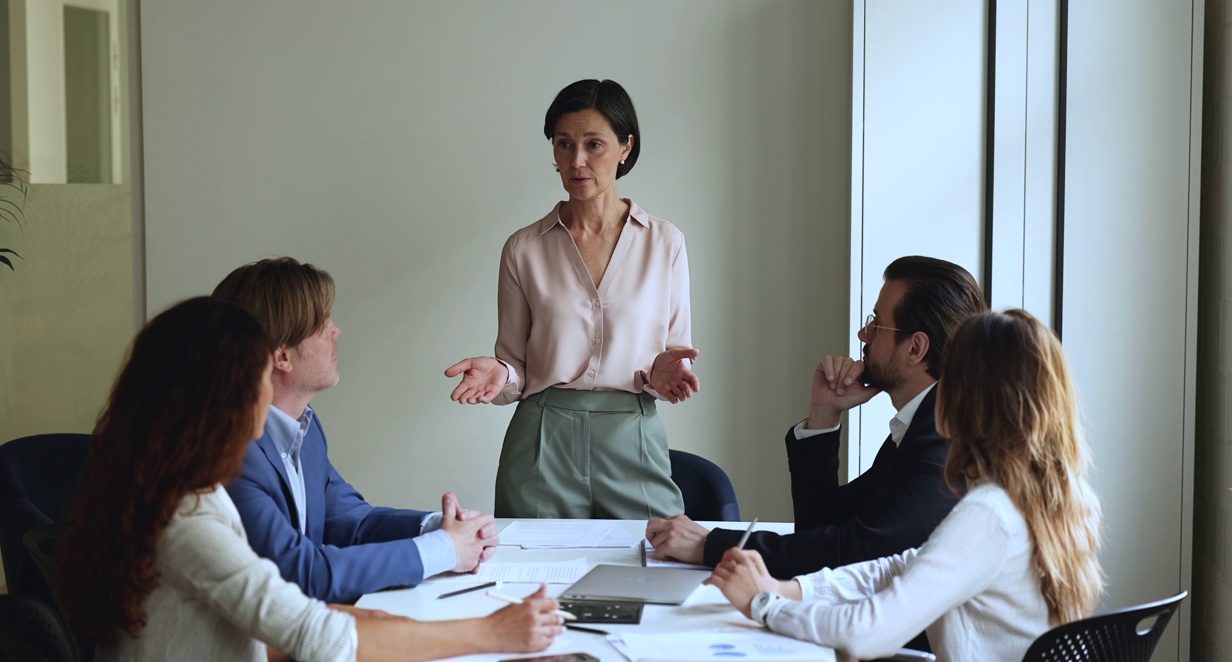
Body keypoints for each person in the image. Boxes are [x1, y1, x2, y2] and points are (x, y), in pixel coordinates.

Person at [57, 297, 563, 662]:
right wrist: (490, 632)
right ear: (224, 398)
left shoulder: (177, 492)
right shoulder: (188, 520)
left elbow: (278, 607)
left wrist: (394, 623)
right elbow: (318, 636)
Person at [707, 309, 1104, 662]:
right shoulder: (1064, 499)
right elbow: (899, 568)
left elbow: (869, 632)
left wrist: (764, 604)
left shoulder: (991, 515)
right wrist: (792, 590)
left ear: (969, 398)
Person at [445, 78, 699, 519]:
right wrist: (500, 372)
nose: (576, 161)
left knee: (655, 567)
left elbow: (677, 352)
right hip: (543, 439)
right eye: (563, 145)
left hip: (632, 433)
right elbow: (517, 370)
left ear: (625, 147)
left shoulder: (664, 242)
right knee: (536, 577)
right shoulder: (523, 248)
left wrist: (667, 372)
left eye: (593, 145)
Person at [647, 256, 988, 578]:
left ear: (916, 348)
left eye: (876, 325)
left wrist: (709, 545)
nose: (863, 335)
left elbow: (854, 553)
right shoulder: (924, 424)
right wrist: (824, 415)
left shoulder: (943, 438)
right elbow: (823, 527)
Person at [213, 258, 498, 604]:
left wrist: (439, 527)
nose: (336, 331)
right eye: (322, 324)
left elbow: (351, 520)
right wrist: (443, 550)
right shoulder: (230, 452)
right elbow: (300, 573)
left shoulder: (305, 426)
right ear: (282, 356)